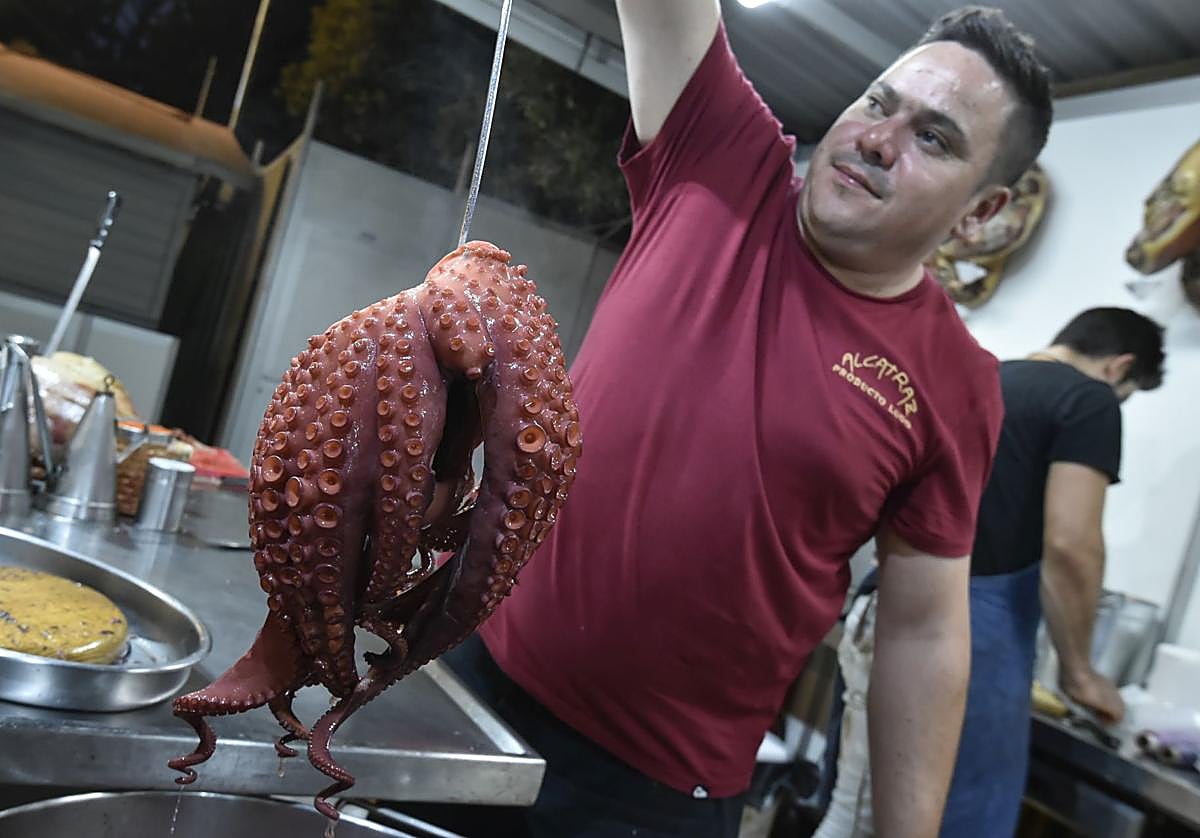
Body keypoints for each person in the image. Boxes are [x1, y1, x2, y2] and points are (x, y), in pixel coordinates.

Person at [441, 3, 1053, 836]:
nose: (880, 138)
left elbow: (922, 627)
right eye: (879, 103)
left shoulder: (959, 382)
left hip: (651, 797)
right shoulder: (720, 157)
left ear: (981, 214)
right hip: (468, 682)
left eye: (933, 138)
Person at [814, 307, 1167, 838]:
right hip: (956, 638)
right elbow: (1071, 543)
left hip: (890, 608)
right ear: (1119, 367)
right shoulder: (1087, 399)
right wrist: (1080, 672)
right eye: (1127, 394)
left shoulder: (986, 379)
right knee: (879, 824)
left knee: (860, 811)